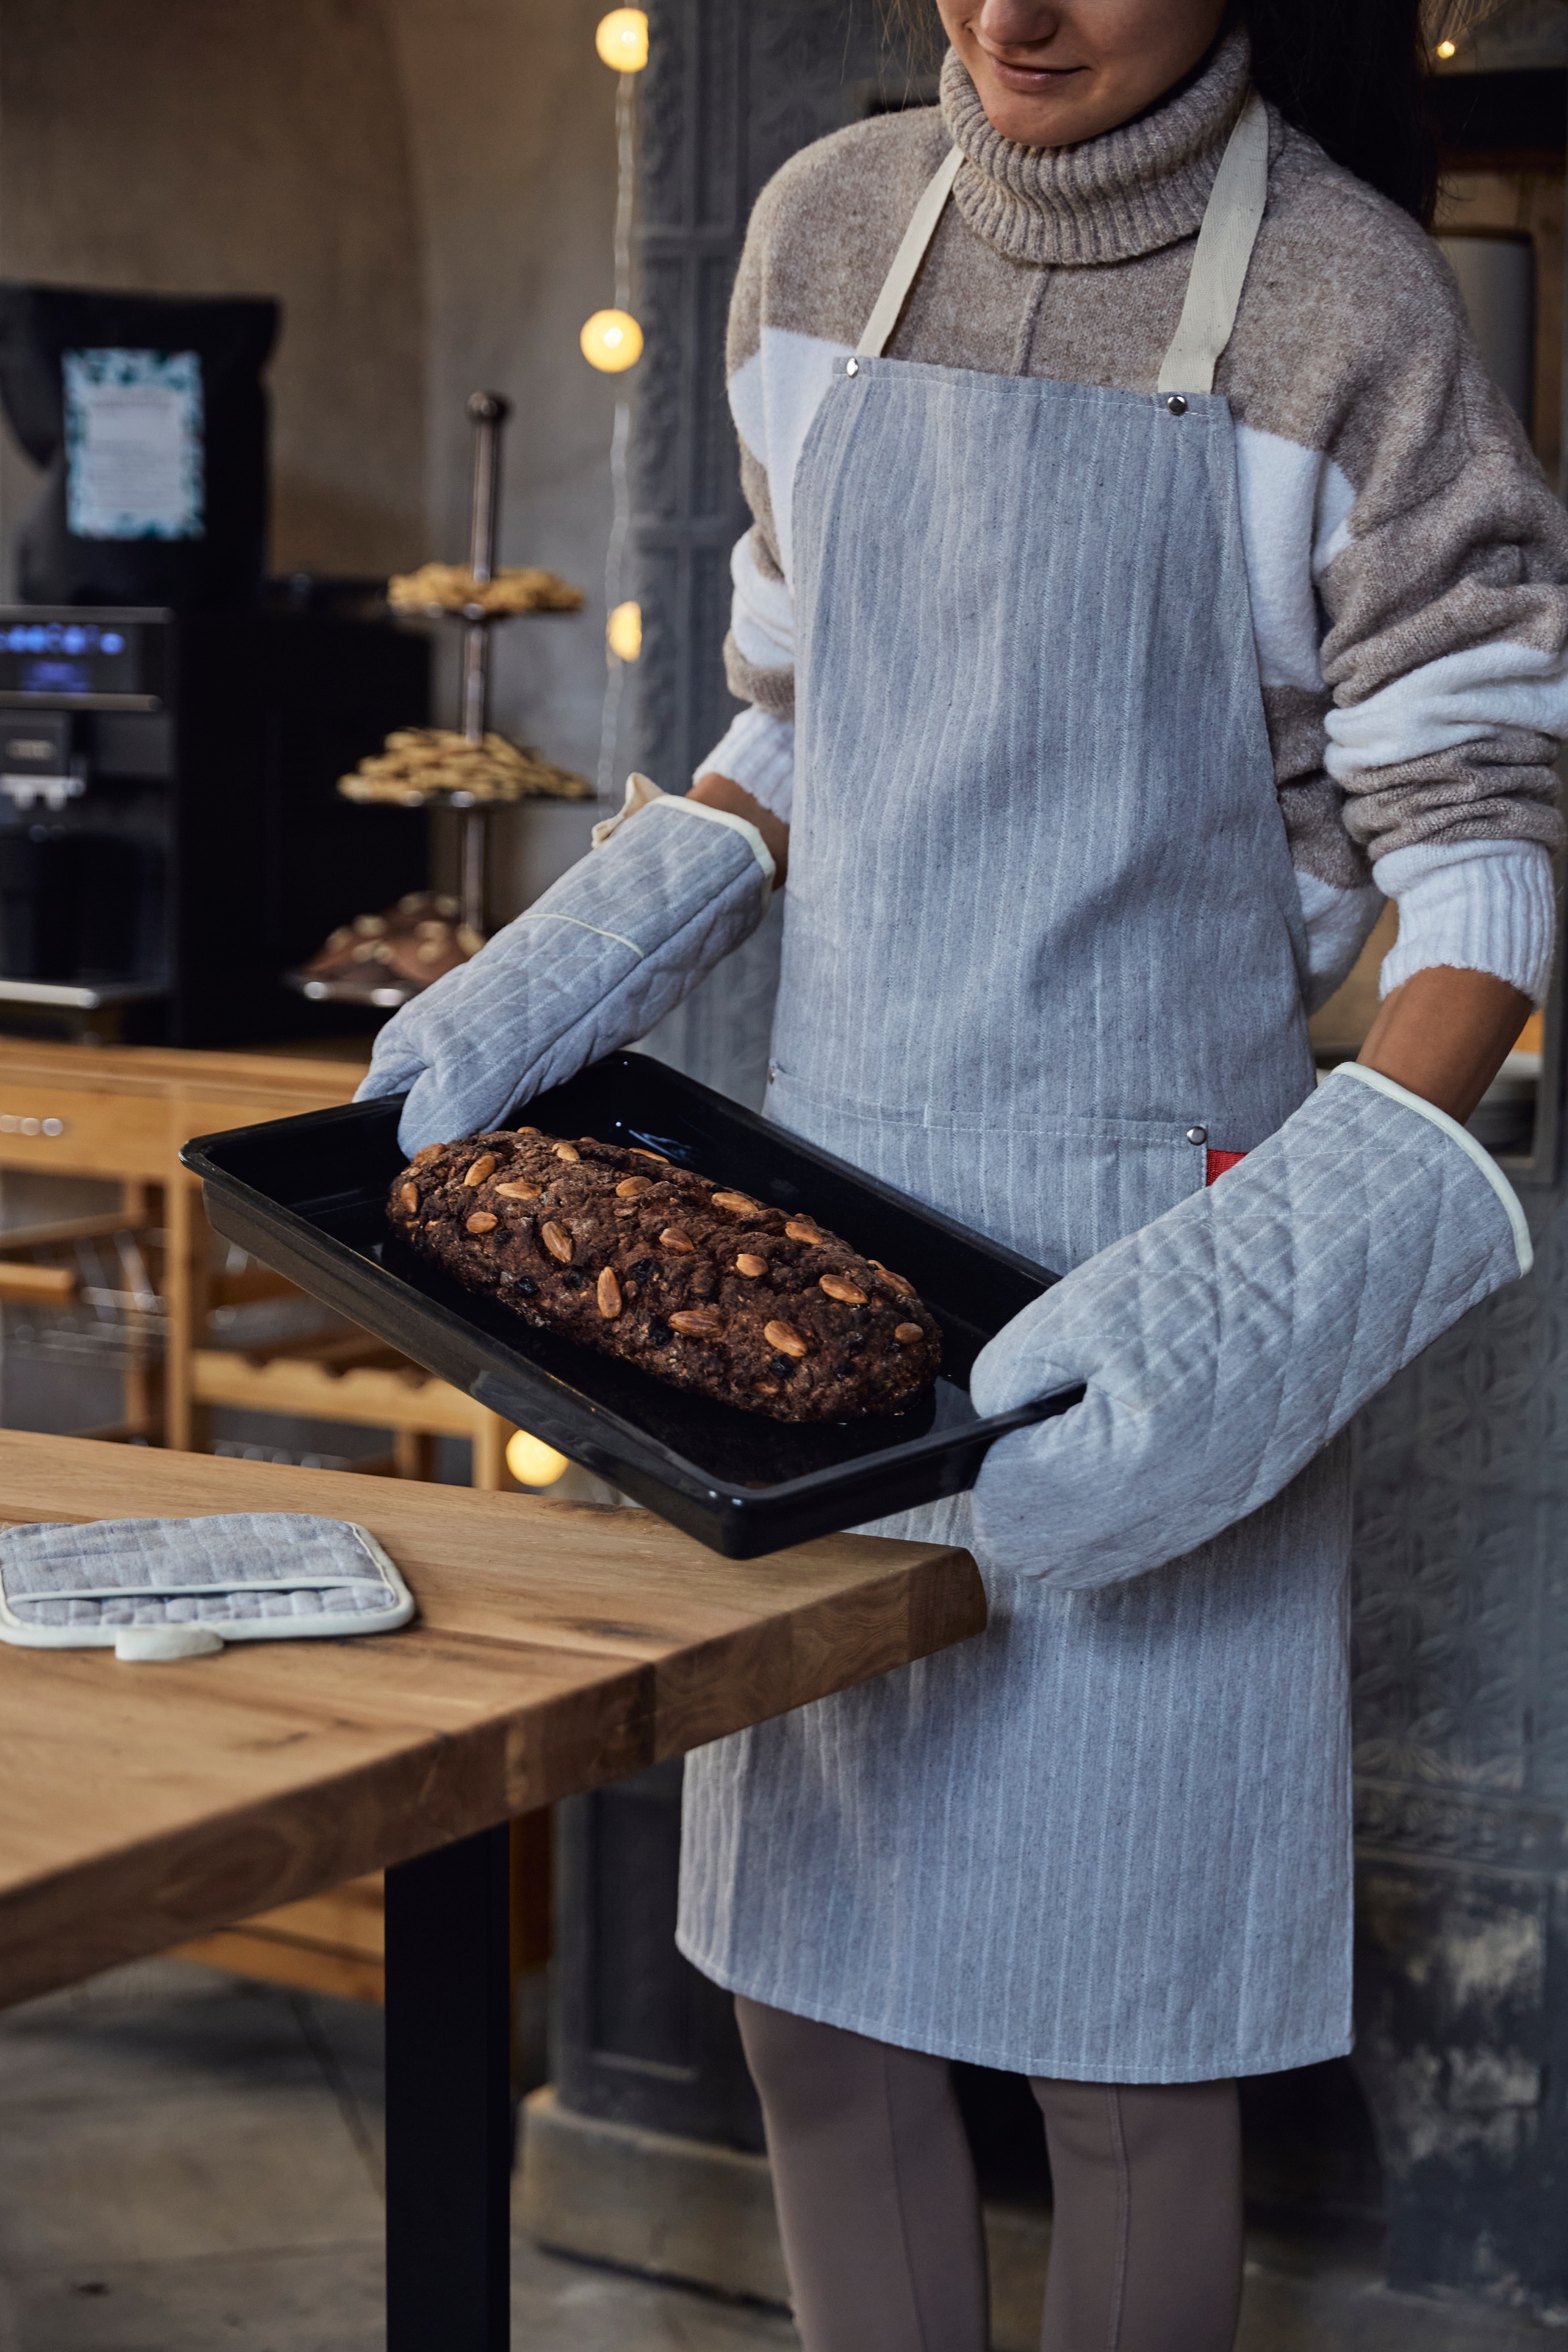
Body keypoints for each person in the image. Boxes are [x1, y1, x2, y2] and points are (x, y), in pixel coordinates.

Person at [362, 1, 1568, 2342]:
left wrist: (1268, 1295)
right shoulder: (822, 233)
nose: (1015, 8)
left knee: (1122, 2052)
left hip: (1155, 1288)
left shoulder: (1346, 305)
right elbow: (796, 712)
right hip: (808, 1303)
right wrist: (551, 983)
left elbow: (1487, 871)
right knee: (810, 2006)